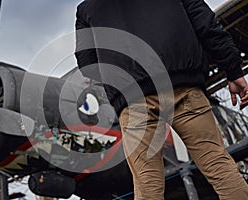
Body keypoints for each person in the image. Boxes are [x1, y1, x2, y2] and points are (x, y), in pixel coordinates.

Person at [75, 0, 248, 199]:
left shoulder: (87, 9)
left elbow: (87, 63)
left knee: (147, 186)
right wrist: (234, 71)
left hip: (133, 102)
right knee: (219, 166)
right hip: (184, 88)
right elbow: (208, 26)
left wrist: (121, 81)